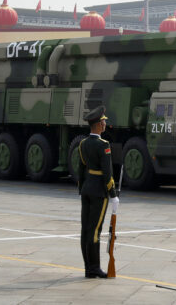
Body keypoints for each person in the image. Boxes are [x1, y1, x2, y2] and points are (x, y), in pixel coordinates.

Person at [78, 106, 119, 278]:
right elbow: (107, 173)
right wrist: (113, 194)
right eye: (103, 121)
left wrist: (82, 189)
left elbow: (81, 170)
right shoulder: (104, 145)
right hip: (98, 192)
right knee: (94, 231)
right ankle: (94, 268)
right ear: (97, 125)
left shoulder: (83, 143)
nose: (105, 123)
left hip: (86, 189)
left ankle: (88, 267)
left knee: (85, 230)